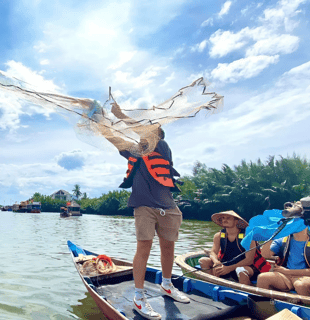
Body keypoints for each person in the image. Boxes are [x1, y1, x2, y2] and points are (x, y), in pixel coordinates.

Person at [103, 104, 189, 320]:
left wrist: (120, 115)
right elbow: (114, 138)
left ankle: (167, 285)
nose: (144, 133)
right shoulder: (135, 153)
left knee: (168, 247)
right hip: (144, 207)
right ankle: (139, 296)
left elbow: (146, 132)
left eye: (150, 130)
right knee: (144, 247)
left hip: (168, 207)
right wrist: (99, 123)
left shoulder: (162, 146)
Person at [199, 211, 271, 285]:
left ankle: (249, 292)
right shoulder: (219, 236)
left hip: (246, 267)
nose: (224, 220)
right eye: (223, 218)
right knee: (203, 261)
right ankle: (212, 284)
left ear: (236, 221)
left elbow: (249, 260)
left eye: (228, 218)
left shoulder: (247, 237)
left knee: (241, 271)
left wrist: (229, 268)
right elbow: (213, 252)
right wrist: (216, 262)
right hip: (225, 265)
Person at [257, 226, 310, 296]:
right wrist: (273, 235)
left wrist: (287, 271)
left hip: (305, 276)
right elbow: (265, 254)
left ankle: (304, 305)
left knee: (301, 285)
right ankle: (264, 306)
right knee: (262, 278)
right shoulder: (283, 239)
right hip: (285, 276)